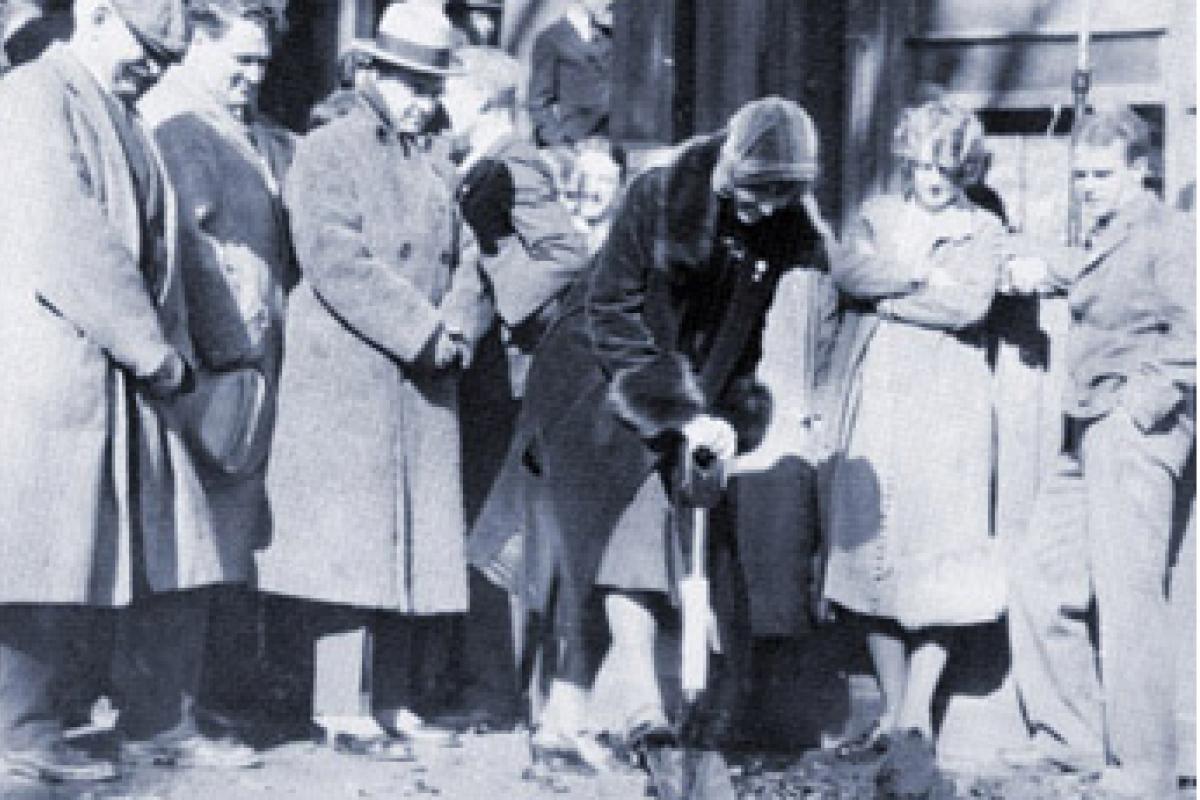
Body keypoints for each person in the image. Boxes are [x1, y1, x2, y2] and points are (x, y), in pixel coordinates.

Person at [471, 97, 832, 769]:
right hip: (591, 378)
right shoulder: (659, 197)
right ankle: (644, 711)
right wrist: (677, 408)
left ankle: (561, 721)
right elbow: (611, 310)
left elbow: (739, 342)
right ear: (727, 166)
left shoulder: (776, 231)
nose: (760, 208)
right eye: (753, 191)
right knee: (629, 530)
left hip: (676, 392)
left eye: (779, 195)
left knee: (609, 551)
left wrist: (727, 420)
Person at [255, 0, 487, 755]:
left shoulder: (432, 160)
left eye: (431, 85)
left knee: (408, 539)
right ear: (372, 73)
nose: (424, 98)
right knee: (349, 543)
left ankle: (389, 695)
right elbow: (334, 257)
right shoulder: (331, 148)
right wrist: (422, 330)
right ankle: (337, 703)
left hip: (420, 379)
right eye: (409, 82)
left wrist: (457, 324)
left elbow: (468, 258)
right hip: (350, 375)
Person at [0, 0, 192, 782]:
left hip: (96, 367)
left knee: (73, 557)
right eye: (146, 49)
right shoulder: (34, 96)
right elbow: (68, 236)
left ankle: (44, 726)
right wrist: (150, 348)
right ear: (99, 15)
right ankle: (22, 732)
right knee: (37, 553)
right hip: (46, 364)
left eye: (164, 60)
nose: (153, 68)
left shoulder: (120, 115)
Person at [1004, 106, 1195, 799]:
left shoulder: (1169, 233)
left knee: (1128, 598)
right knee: (1040, 576)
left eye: (1102, 173)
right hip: (1085, 426)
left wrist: (1138, 411)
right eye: (1080, 173)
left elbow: (1194, 334)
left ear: (1140, 169)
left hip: (1129, 426)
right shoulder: (1111, 233)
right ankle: (1072, 742)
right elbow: (1094, 278)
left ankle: (1143, 772)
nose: (1088, 185)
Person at [125, 0, 292, 764]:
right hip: (208, 370)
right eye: (239, 61)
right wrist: (224, 360)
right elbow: (182, 249)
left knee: (215, 544)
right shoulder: (180, 127)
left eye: (262, 63)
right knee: (189, 543)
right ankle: (165, 722)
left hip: (235, 363)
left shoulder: (227, 126)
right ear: (193, 44)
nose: (252, 78)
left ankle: (185, 709)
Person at [819, 101, 1009, 754]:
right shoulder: (878, 215)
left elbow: (968, 306)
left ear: (964, 168)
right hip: (880, 395)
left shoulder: (982, 228)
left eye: (945, 165)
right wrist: (923, 274)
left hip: (949, 400)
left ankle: (917, 716)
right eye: (922, 163)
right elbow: (848, 272)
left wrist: (895, 293)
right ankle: (891, 709)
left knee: (936, 551)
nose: (931, 177)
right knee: (871, 549)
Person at [438, 45, 590, 728]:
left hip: (509, 376)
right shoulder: (481, 162)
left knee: (491, 527)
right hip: (489, 373)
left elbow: (565, 254)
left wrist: (496, 271)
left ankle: (495, 691)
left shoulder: (513, 162)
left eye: (452, 90)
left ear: (484, 100)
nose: (443, 103)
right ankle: (486, 686)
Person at [527, 0, 612, 151]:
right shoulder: (550, 38)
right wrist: (560, 144)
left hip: (611, 143)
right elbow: (537, 102)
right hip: (575, 145)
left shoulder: (610, 37)